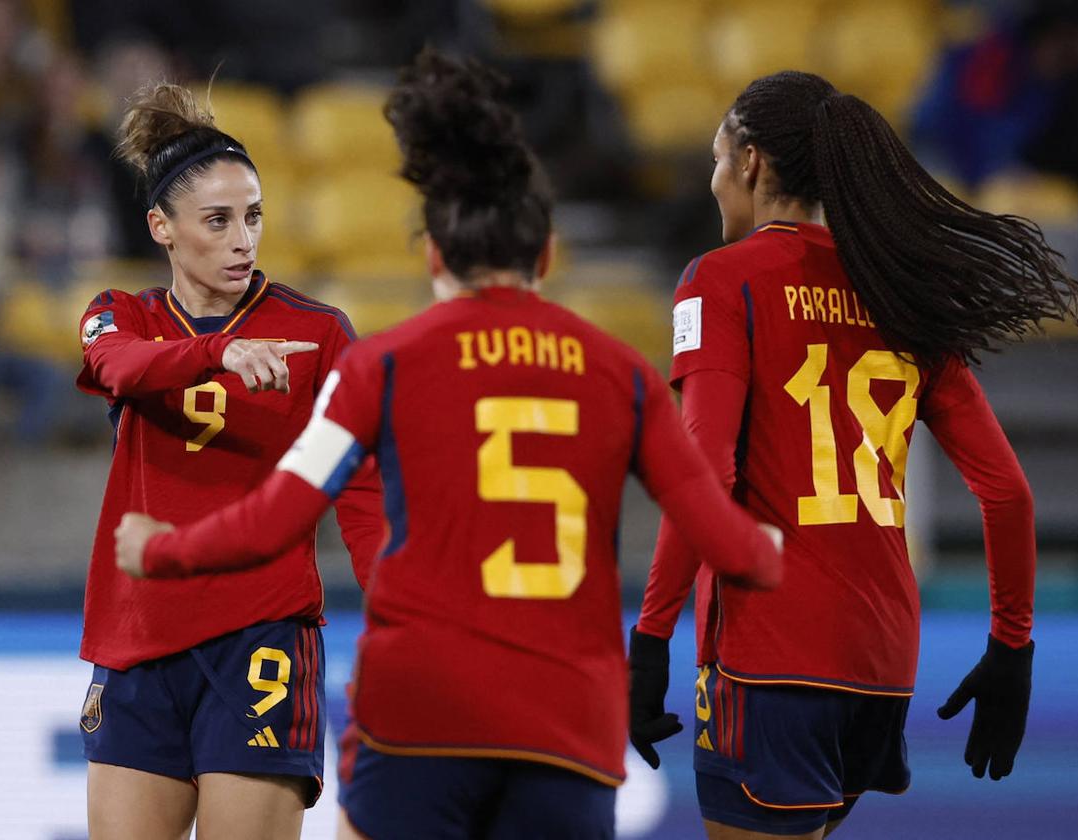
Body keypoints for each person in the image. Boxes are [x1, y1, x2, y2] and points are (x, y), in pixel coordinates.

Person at [113, 48, 784, 840]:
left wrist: (162, 552)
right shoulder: (621, 374)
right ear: (546, 256)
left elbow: (278, 515)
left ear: (433, 256)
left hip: (418, 715)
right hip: (566, 722)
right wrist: (766, 548)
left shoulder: (381, 365)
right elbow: (724, 540)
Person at [628, 70, 1078, 840]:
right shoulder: (898, 290)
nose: (712, 182)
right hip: (880, 665)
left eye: (716, 159)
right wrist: (1011, 648)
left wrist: (648, 638)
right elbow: (1007, 492)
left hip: (768, 655)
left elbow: (707, 473)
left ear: (750, 163)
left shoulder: (719, 281)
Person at [76, 81, 385, 840]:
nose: (243, 239)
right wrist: (219, 352)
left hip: (262, 639)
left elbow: (364, 496)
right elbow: (118, 368)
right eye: (218, 221)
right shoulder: (123, 315)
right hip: (138, 639)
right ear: (162, 227)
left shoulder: (319, 332)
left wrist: (396, 624)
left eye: (253, 216)